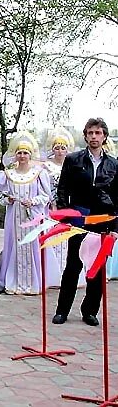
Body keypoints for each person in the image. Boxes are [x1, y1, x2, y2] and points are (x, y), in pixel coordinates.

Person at [53, 118, 118, 326]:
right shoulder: (73, 160)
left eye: (98, 133)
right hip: (78, 219)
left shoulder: (114, 164)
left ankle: (90, 310)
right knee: (73, 265)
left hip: (103, 221)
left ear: (104, 136)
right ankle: (62, 310)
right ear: (85, 135)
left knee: (97, 267)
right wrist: (64, 218)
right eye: (90, 133)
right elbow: (62, 190)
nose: (94, 137)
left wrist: (115, 228)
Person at [0, 131, 52, 295]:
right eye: (19, 152)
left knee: (32, 245)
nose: (22, 156)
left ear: (30, 154)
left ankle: (33, 282)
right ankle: (14, 281)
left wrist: (32, 201)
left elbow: (45, 196)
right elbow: (0, 195)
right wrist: (8, 200)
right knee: (15, 245)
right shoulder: (8, 175)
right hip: (14, 218)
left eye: (25, 152)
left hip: (32, 218)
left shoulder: (38, 174)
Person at [42, 126, 84, 288]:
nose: (60, 151)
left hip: (70, 207)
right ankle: (53, 275)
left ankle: (69, 275)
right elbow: (45, 188)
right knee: (54, 238)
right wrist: (52, 202)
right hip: (53, 207)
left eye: (63, 148)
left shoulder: (74, 166)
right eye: (57, 148)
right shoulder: (46, 167)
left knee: (69, 240)